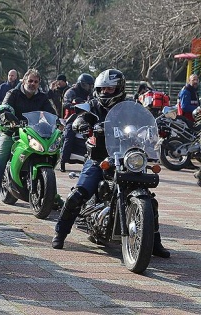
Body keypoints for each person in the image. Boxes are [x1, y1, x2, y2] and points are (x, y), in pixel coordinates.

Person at [51, 68, 170, 258]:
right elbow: (80, 117)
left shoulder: (131, 105)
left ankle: (154, 242)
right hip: (99, 159)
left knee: (150, 200)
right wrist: (81, 124)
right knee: (78, 195)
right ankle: (60, 233)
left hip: (128, 156)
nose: (105, 93)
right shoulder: (93, 106)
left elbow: (146, 120)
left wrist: (159, 126)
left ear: (120, 89)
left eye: (110, 89)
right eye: (102, 89)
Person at [0, 69, 57, 207]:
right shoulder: (13, 93)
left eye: (36, 82)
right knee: (0, 157)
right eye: (30, 81)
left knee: (49, 155)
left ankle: (54, 195)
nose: (33, 84)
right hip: (12, 132)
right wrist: (6, 115)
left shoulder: (42, 97)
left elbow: (51, 113)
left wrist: (57, 121)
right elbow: (4, 107)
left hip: (35, 133)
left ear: (39, 83)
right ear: (24, 81)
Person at [58, 73, 94, 172]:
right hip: (72, 118)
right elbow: (65, 103)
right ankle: (63, 160)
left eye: (91, 85)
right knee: (69, 135)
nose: (89, 87)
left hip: (87, 117)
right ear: (81, 84)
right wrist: (73, 106)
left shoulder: (90, 94)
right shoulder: (71, 91)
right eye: (87, 85)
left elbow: (95, 101)